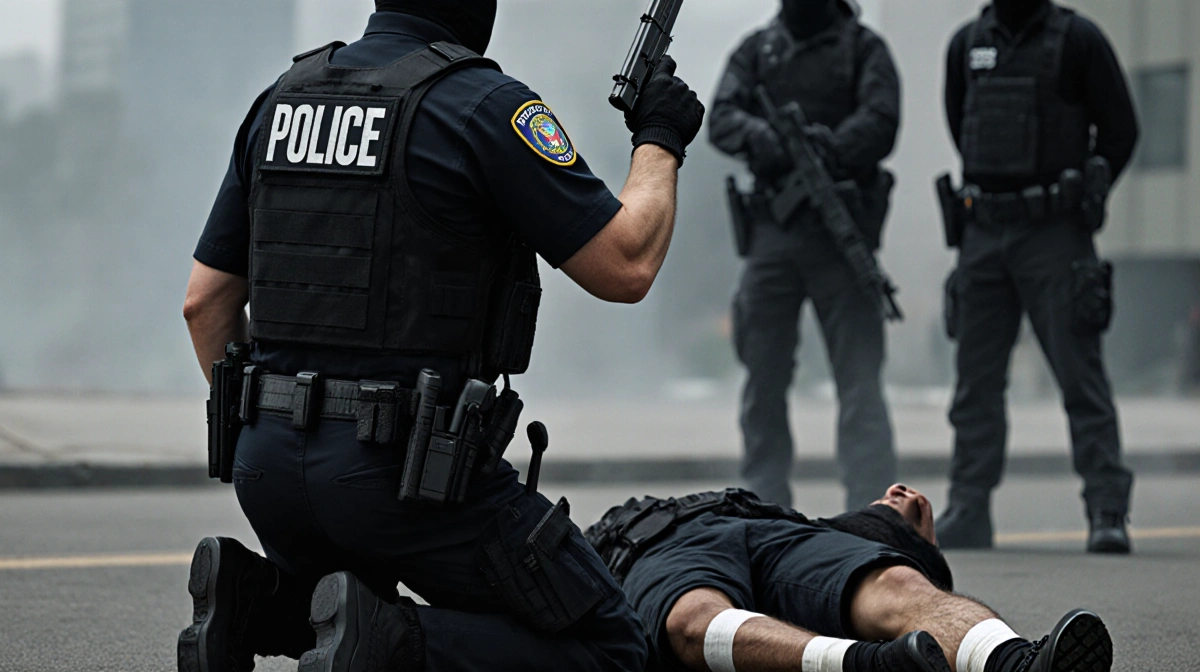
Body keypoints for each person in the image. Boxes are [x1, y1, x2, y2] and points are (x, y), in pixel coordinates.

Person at [177, 1, 705, 671]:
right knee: (607, 644)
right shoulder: (482, 104)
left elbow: (204, 304)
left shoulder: (280, 101)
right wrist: (660, 137)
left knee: (355, 597)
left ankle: (255, 602)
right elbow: (625, 265)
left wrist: (274, 412)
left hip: (267, 470)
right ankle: (389, 646)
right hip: (406, 478)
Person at [938, 0, 1138, 553]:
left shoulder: (1078, 38)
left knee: (1080, 375)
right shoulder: (966, 43)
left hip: (1054, 234)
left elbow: (1121, 129)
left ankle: (1107, 510)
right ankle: (969, 508)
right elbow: (962, 123)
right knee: (975, 383)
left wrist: (1084, 188)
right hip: (983, 234)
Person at [585, 485, 1114, 672]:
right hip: (650, 549)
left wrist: (898, 534)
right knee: (693, 621)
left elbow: (898, 570)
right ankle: (870, 663)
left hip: (767, 532)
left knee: (904, 590)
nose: (901, 489)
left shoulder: (867, 544)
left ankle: (1015, 663)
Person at [709, 0, 902, 510]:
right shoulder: (760, 49)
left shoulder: (863, 49)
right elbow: (721, 117)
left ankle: (870, 507)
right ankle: (764, 503)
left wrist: (830, 147)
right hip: (773, 232)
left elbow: (882, 120)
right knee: (763, 377)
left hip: (838, 235)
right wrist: (764, 138)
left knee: (859, 380)